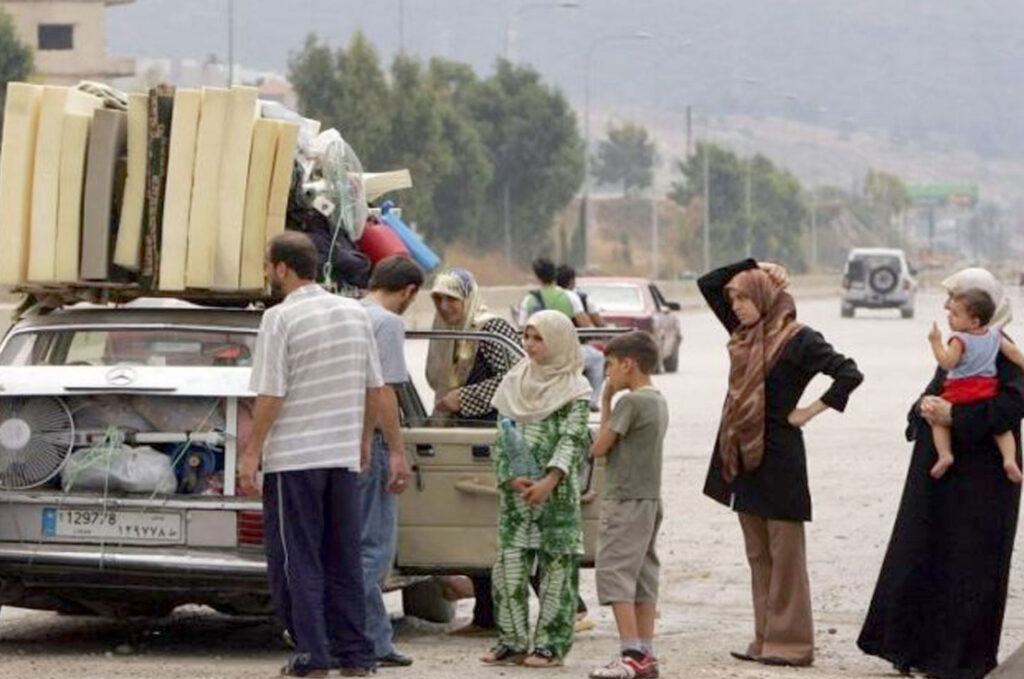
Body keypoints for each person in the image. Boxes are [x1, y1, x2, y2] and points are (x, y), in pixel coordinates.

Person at [858, 269, 1024, 679]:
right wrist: (923, 410)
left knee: (969, 569)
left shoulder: (1002, 351)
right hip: (940, 478)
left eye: (956, 300)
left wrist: (956, 414)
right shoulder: (959, 347)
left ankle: (955, 662)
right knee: (923, 556)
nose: (947, 307)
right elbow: (933, 390)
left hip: (983, 482)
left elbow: (1009, 408)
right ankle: (911, 650)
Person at [698, 258, 863, 668]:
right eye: (733, 298)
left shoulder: (799, 339)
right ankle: (766, 638)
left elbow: (848, 373)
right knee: (758, 555)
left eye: (743, 297)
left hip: (781, 457)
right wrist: (755, 264)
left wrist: (809, 411)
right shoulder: (743, 333)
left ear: (764, 298)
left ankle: (791, 645)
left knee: (785, 556)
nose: (734, 304)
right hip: (743, 456)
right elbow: (709, 283)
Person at [238, 232, 388, 677]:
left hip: (293, 460)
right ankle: (356, 656)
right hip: (341, 457)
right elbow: (375, 388)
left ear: (283, 268)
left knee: (297, 559)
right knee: (343, 557)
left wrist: (251, 454)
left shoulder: (280, 319)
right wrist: (362, 440)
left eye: (269, 265)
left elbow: (271, 395)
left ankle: (312, 655)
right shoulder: (354, 313)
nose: (268, 274)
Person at [481, 310, 592, 668]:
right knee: (509, 566)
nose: (529, 344)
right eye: (526, 336)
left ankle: (550, 645)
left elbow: (573, 440)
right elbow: (502, 436)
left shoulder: (575, 388)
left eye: (538, 338)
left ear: (558, 341)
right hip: (517, 497)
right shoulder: (515, 380)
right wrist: (509, 476)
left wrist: (550, 480)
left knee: (557, 569)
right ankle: (511, 640)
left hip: (556, 497)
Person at [588, 331, 669, 679]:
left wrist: (606, 401)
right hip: (649, 499)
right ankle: (646, 653)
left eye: (609, 366)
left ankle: (630, 653)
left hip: (624, 499)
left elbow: (599, 447)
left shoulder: (631, 403)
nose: (607, 374)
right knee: (643, 575)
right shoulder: (658, 399)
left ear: (628, 364)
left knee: (616, 572)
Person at [359, 256, 424, 668]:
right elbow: (382, 391)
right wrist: (397, 451)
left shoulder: (347, 311)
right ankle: (371, 640)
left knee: (347, 544)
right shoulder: (387, 323)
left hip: (337, 444)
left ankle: (355, 634)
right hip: (371, 443)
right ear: (409, 292)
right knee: (375, 548)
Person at [927, 287, 1024, 482]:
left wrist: (935, 343)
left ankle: (945, 455)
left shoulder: (959, 340)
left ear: (974, 320)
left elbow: (947, 363)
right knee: (1002, 429)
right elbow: (1014, 354)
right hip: (987, 388)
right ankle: (1009, 459)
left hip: (959, 392)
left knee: (937, 419)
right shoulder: (996, 336)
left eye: (954, 311)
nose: (947, 311)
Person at [427, 267, 521, 424]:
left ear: (468, 298)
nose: (443, 306)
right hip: (459, 428)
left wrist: (464, 398)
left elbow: (518, 379)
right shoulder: (448, 330)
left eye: (451, 298)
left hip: (494, 429)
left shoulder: (490, 328)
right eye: (438, 298)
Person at [556, 264, 604, 410]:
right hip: (571, 350)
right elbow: (590, 326)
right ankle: (593, 400)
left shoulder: (535, 297)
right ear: (572, 281)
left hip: (543, 351)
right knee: (598, 358)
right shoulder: (576, 297)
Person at [518, 257, 593, 329]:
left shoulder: (529, 300)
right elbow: (585, 326)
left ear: (537, 277)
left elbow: (522, 328)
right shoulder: (570, 297)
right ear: (555, 274)